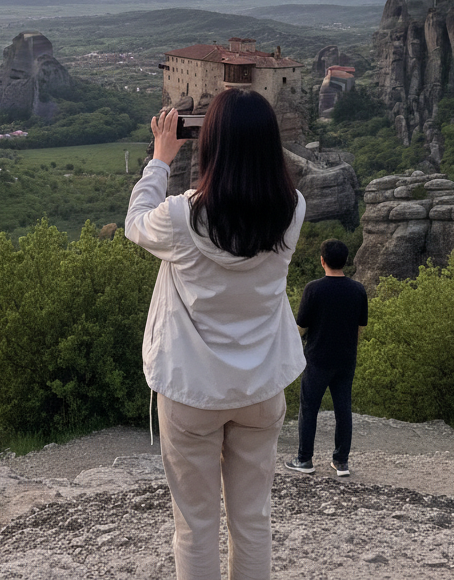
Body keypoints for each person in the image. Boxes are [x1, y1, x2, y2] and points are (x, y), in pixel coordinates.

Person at [125, 91, 307, 580]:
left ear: (210, 145)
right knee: (253, 517)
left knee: (195, 523)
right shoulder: (293, 210)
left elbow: (134, 224)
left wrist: (161, 160)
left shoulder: (183, 218)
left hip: (191, 390)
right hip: (262, 386)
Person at [286, 238, 368, 478]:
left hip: (318, 358)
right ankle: (341, 462)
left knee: (309, 407)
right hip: (346, 358)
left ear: (322, 260)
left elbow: (301, 326)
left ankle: (304, 459)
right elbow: (360, 327)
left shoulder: (314, 289)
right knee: (343, 409)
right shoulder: (358, 290)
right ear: (347, 261)